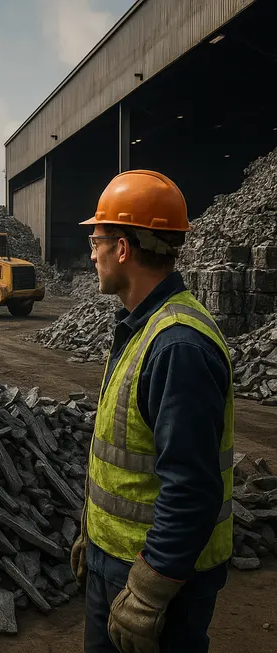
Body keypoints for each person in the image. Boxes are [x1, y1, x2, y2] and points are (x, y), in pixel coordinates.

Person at [70, 170, 234, 653]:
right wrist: (92, 535)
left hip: (155, 578)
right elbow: (127, 456)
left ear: (122, 248)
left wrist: (147, 591)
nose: (92, 252)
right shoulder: (141, 328)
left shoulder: (176, 346)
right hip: (116, 559)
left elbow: (192, 488)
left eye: (97, 239)